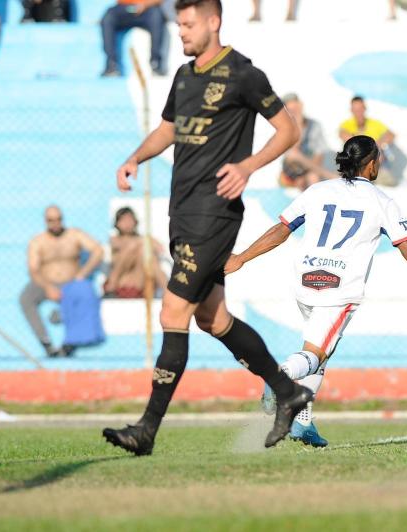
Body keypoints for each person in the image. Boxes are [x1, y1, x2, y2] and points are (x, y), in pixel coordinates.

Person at [102, 0, 308, 455]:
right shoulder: (184, 75)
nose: (181, 33)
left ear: (213, 22)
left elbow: (288, 131)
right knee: (212, 318)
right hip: (183, 211)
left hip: (214, 214)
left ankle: (147, 430)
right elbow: (169, 129)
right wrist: (136, 156)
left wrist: (249, 166)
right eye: (179, 25)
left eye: (189, 24)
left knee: (173, 313)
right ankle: (288, 392)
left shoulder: (243, 74)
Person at [225, 135, 407, 447]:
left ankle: (303, 423)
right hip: (339, 288)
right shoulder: (381, 201)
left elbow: (281, 229)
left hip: (305, 281)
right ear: (370, 164)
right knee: (315, 354)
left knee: (320, 350)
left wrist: (242, 258)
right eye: (378, 160)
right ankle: (278, 378)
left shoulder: (317, 190)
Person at [20, 206, 104, 358]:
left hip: (71, 282)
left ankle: (71, 342)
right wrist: (47, 287)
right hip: (45, 282)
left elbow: (98, 250)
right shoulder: (37, 241)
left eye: (58, 219)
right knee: (25, 298)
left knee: (86, 293)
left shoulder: (74, 235)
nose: (55, 223)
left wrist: (83, 273)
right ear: (46, 221)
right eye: (51, 220)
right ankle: (46, 342)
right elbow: (33, 269)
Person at [103, 207, 169, 298]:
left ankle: (168, 291)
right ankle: (112, 284)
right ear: (117, 223)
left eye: (130, 219)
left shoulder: (142, 241)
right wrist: (146, 241)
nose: (127, 223)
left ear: (135, 222)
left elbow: (160, 248)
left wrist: (144, 242)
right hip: (120, 284)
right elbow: (129, 245)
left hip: (139, 284)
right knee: (133, 248)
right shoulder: (115, 240)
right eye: (123, 220)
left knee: (145, 252)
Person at [279, 93, 334, 190]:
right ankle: (330, 176)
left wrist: (311, 168)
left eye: (296, 108)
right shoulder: (285, 127)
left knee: (313, 177)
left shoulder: (314, 125)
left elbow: (319, 152)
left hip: (311, 165)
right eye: (291, 110)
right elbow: (292, 153)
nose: (295, 112)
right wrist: (298, 123)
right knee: (294, 155)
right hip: (292, 167)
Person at [339, 96, 399, 186]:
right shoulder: (347, 124)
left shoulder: (374, 124)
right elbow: (343, 135)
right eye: (355, 109)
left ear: (365, 108)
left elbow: (391, 135)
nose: (358, 112)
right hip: (357, 165)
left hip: (377, 164)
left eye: (360, 109)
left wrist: (377, 144)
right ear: (351, 110)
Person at [100, 0, 167, 77]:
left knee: (157, 15)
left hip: (148, 9)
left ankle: (156, 64)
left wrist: (145, 4)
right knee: (108, 17)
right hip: (124, 8)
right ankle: (112, 66)